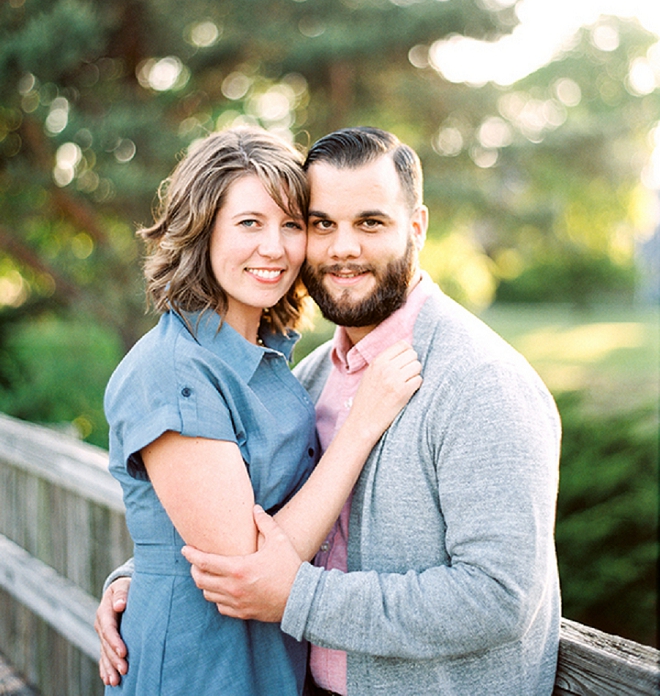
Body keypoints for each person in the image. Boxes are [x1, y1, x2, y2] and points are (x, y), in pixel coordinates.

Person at [97, 126, 562, 696]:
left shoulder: (481, 382)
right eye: (321, 224)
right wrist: (147, 573)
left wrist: (297, 596)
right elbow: (243, 522)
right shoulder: (312, 377)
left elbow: (499, 596)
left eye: (370, 223)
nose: (343, 247)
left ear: (415, 227)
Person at [97, 126, 422, 695]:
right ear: (202, 230)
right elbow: (247, 568)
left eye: (292, 224)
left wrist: (135, 572)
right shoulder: (173, 372)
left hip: (271, 663)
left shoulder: (268, 359)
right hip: (202, 667)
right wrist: (362, 425)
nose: (274, 247)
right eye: (249, 222)